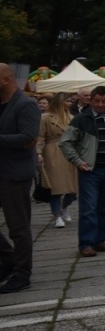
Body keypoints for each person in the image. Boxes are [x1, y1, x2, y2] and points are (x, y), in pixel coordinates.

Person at [58, 86, 105, 259]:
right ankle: (86, 244)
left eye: (104, 101)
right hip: (90, 170)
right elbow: (65, 142)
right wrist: (77, 161)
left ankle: (100, 240)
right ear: (90, 101)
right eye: (96, 101)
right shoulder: (81, 119)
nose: (100, 105)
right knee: (88, 208)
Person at [0, 64, 42, 294]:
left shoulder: (25, 104)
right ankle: (8, 259)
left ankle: (22, 273)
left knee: (18, 226)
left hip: (15, 174)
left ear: (6, 79)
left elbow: (28, 137)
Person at [38, 95, 78, 229]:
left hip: (71, 152)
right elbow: (40, 136)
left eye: (70, 101)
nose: (70, 103)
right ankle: (57, 215)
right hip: (53, 152)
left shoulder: (72, 118)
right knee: (55, 186)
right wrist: (38, 153)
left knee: (73, 187)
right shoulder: (46, 118)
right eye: (67, 101)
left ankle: (64, 206)